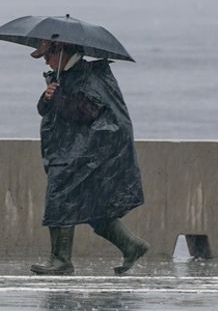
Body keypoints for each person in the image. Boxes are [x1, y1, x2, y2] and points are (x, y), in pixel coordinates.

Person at [29, 39, 149, 276]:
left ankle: (60, 260)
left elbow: (87, 112)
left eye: (47, 56)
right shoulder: (62, 76)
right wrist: (47, 97)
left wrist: (58, 97)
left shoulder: (89, 77)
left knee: (60, 200)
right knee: (93, 208)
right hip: (68, 151)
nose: (45, 61)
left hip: (83, 155)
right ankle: (132, 246)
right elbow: (44, 109)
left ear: (61, 52)